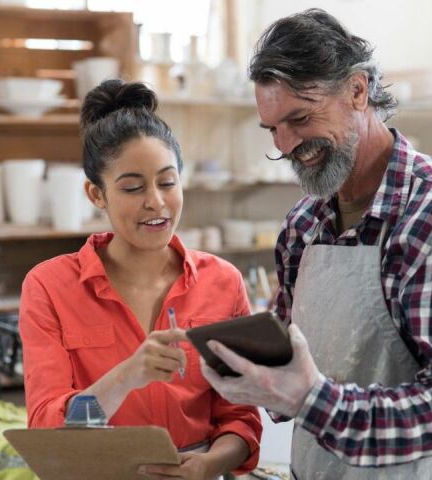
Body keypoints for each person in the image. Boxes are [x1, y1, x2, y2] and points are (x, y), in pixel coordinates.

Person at [199, 9, 432, 480]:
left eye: (300, 118)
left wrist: (312, 400)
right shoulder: (304, 224)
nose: (286, 145)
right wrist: (250, 375)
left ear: (357, 91)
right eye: (273, 129)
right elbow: (293, 363)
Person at [19, 79, 261, 479]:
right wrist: (127, 376)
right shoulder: (48, 286)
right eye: (132, 187)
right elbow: (48, 429)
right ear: (96, 195)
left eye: (168, 182)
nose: (156, 201)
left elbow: (240, 415)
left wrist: (209, 464)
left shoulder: (224, 282)